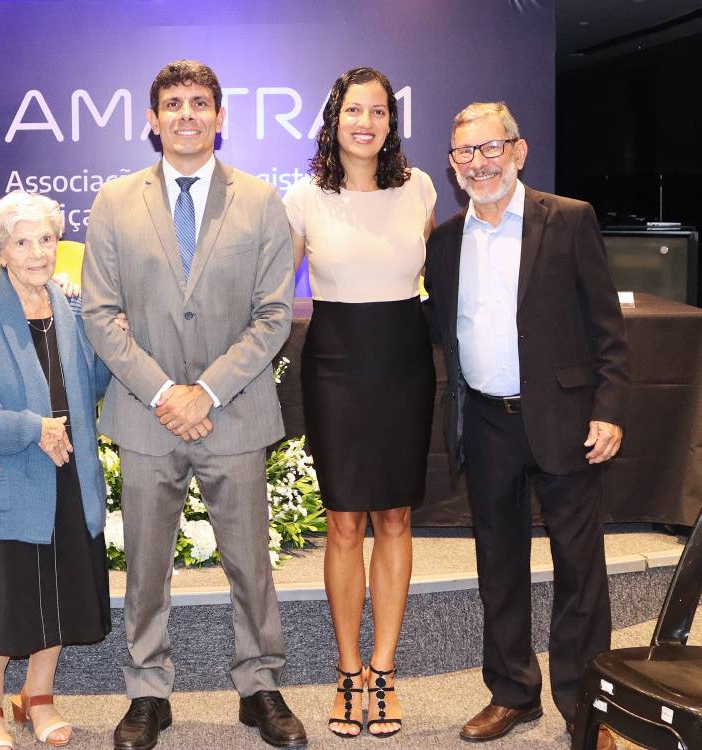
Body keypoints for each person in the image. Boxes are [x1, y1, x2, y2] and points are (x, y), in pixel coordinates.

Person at [82, 59, 305, 750]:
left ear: (220, 116)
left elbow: (274, 314)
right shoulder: (115, 200)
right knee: (146, 567)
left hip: (232, 412)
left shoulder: (261, 200)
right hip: (146, 415)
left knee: (250, 564)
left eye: (199, 102)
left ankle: (259, 686)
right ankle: (148, 691)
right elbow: (100, 313)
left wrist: (204, 391)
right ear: (153, 120)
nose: (187, 114)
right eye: (173, 103)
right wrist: (163, 392)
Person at [423, 102, 628, 750]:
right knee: (498, 566)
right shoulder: (444, 242)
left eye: (491, 148)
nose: (479, 163)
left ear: (518, 150)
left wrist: (609, 409)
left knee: (580, 572)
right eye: (465, 152)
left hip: (566, 421)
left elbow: (607, 328)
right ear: (452, 165)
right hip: (486, 423)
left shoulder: (568, 219)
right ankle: (512, 691)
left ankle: (585, 707)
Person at [283, 66, 436, 738]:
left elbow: (430, 275)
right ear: (334, 119)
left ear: (390, 122)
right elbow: (274, 290)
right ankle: (348, 671)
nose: (366, 122)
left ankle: (384, 669)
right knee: (345, 520)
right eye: (354, 110)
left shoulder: (420, 187)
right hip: (336, 363)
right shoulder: (304, 197)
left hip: (403, 361)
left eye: (378, 111)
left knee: (396, 516)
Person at [0, 190, 112, 750]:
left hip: (71, 471)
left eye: (46, 239)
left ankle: (37, 696)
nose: (38, 252)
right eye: (22, 242)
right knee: (8, 594)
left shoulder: (71, 306)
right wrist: (31, 428)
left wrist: (109, 332)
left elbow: (94, 386)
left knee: (62, 590)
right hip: (12, 472)